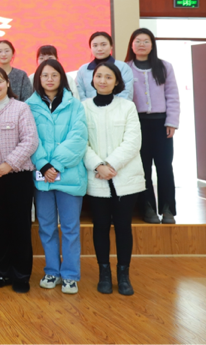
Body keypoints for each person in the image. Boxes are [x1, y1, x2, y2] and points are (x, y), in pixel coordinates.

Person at [83, 62, 144, 296]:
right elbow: (81, 142)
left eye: (108, 77)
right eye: (99, 76)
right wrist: (98, 165)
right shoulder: (83, 108)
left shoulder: (127, 107)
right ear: (93, 79)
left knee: (123, 226)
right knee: (100, 226)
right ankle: (104, 274)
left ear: (117, 81)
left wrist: (110, 165)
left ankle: (124, 275)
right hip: (96, 176)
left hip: (124, 177)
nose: (103, 80)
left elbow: (133, 142)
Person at [28, 59, 88, 295]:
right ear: (38, 79)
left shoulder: (75, 105)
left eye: (54, 75)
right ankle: (52, 271)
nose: (49, 79)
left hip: (69, 175)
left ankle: (70, 275)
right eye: (45, 75)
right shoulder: (29, 106)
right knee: (47, 227)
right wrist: (43, 165)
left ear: (62, 77)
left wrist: (55, 165)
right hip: (42, 177)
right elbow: (30, 138)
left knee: (71, 228)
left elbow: (78, 138)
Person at [0, 67, 39, 294]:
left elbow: (30, 141)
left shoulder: (21, 108)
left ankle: (21, 275)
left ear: (7, 83)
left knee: (20, 226)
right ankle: (1, 272)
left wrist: (8, 164)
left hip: (17, 176)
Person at [125, 29, 180, 225]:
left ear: (152, 45)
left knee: (165, 167)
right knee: (143, 168)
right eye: (137, 41)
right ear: (132, 45)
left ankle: (168, 209)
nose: (141, 44)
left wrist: (172, 122)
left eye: (146, 41)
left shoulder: (164, 67)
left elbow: (172, 95)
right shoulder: (125, 68)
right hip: (137, 124)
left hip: (162, 124)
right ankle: (147, 208)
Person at [75, 32, 134, 101]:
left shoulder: (123, 67)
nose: (99, 49)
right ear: (90, 48)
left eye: (103, 45)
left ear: (111, 46)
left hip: (118, 107)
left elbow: (126, 93)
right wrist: (89, 106)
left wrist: (114, 106)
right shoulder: (83, 69)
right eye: (95, 45)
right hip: (88, 107)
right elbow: (79, 93)